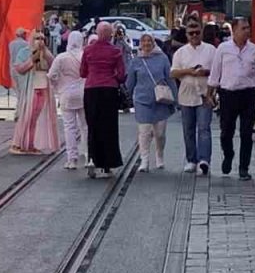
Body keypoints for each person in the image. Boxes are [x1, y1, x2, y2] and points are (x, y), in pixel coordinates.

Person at [207, 18, 255, 180]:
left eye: (248, 28)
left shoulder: (254, 49)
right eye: (243, 28)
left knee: (246, 133)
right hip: (228, 94)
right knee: (226, 131)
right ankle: (228, 154)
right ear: (234, 30)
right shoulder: (223, 49)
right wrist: (209, 93)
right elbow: (215, 73)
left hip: (248, 94)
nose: (247, 31)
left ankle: (244, 168)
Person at [81, 21, 126, 178]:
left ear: (97, 33)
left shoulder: (88, 50)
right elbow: (121, 75)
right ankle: (108, 164)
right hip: (109, 90)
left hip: (91, 89)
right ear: (110, 34)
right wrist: (113, 76)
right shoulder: (115, 51)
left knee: (92, 125)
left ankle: (92, 159)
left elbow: (82, 72)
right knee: (109, 127)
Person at [126, 33, 177, 172]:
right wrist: (126, 97)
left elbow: (170, 78)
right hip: (142, 100)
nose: (146, 43)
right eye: (143, 41)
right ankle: (145, 160)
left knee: (160, 134)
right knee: (144, 132)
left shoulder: (162, 58)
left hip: (161, 100)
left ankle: (159, 155)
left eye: (149, 41)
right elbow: (130, 82)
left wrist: (176, 98)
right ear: (140, 44)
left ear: (154, 43)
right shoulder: (136, 61)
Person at [172, 19, 216, 175]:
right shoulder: (180, 52)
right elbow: (173, 73)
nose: (195, 35)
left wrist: (205, 72)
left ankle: (204, 160)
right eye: (191, 33)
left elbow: (218, 71)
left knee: (204, 128)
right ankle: (191, 159)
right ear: (186, 34)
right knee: (188, 129)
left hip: (205, 94)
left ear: (201, 31)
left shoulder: (211, 50)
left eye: (197, 32)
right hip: (186, 94)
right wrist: (189, 71)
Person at [10, 30, 59, 154]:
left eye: (42, 38)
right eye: (37, 38)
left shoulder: (47, 53)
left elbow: (54, 66)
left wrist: (45, 54)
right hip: (30, 88)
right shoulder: (24, 52)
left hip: (43, 88)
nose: (40, 41)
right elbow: (19, 68)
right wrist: (32, 60)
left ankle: (33, 143)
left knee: (37, 118)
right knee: (27, 117)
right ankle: (20, 143)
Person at [51, 31, 88, 169]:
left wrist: (58, 86)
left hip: (66, 94)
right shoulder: (85, 56)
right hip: (83, 93)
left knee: (69, 127)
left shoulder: (61, 57)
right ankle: (88, 155)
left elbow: (51, 75)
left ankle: (72, 159)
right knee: (85, 126)